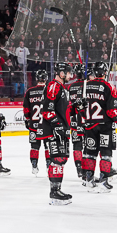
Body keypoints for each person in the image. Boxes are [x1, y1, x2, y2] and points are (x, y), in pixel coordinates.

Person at [80, 61, 117, 193]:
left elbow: (80, 108)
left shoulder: (85, 86)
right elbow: (112, 112)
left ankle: (89, 180)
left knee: (90, 153)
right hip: (105, 126)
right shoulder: (109, 87)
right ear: (105, 72)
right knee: (106, 154)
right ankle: (104, 181)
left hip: (89, 125)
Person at [37, 62, 73, 205]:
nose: (71, 76)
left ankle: (56, 190)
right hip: (53, 130)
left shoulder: (62, 88)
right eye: (69, 73)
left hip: (60, 129)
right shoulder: (54, 86)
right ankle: (54, 192)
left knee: (62, 159)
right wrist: (57, 126)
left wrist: (76, 105)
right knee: (57, 159)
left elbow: (62, 110)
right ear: (62, 73)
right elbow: (47, 111)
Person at [22, 68, 50, 176]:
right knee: (48, 147)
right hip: (46, 125)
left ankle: (34, 166)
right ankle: (48, 167)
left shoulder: (29, 91)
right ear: (46, 79)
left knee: (34, 147)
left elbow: (26, 108)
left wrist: (27, 119)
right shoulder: (49, 90)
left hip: (34, 125)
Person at [66, 64, 87, 178]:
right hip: (85, 119)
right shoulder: (87, 85)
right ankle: (87, 169)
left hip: (74, 120)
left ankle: (79, 169)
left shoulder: (71, 86)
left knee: (77, 145)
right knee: (89, 146)